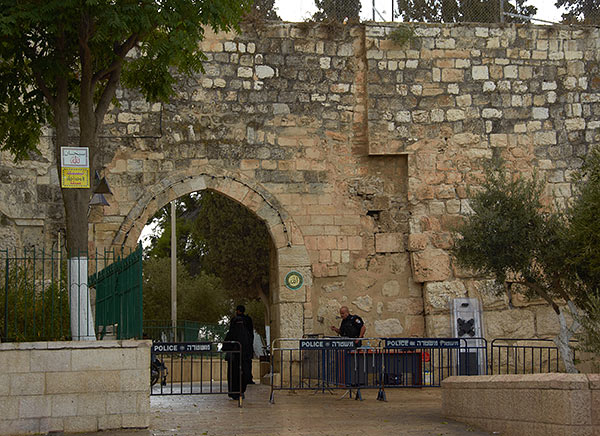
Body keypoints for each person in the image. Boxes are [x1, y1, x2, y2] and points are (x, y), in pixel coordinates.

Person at [223, 314, 251, 400]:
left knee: (243, 375)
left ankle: (240, 391)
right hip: (234, 360)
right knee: (234, 376)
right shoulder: (233, 334)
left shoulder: (245, 334)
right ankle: (235, 393)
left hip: (242, 359)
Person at [235, 305, 255, 384]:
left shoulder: (235, 320)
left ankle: (239, 380)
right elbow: (251, 332)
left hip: (238, 346)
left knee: (238, 363)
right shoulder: (248, 319)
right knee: (247, 363)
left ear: (238, 311)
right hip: (247, 345)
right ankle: (248, 378)